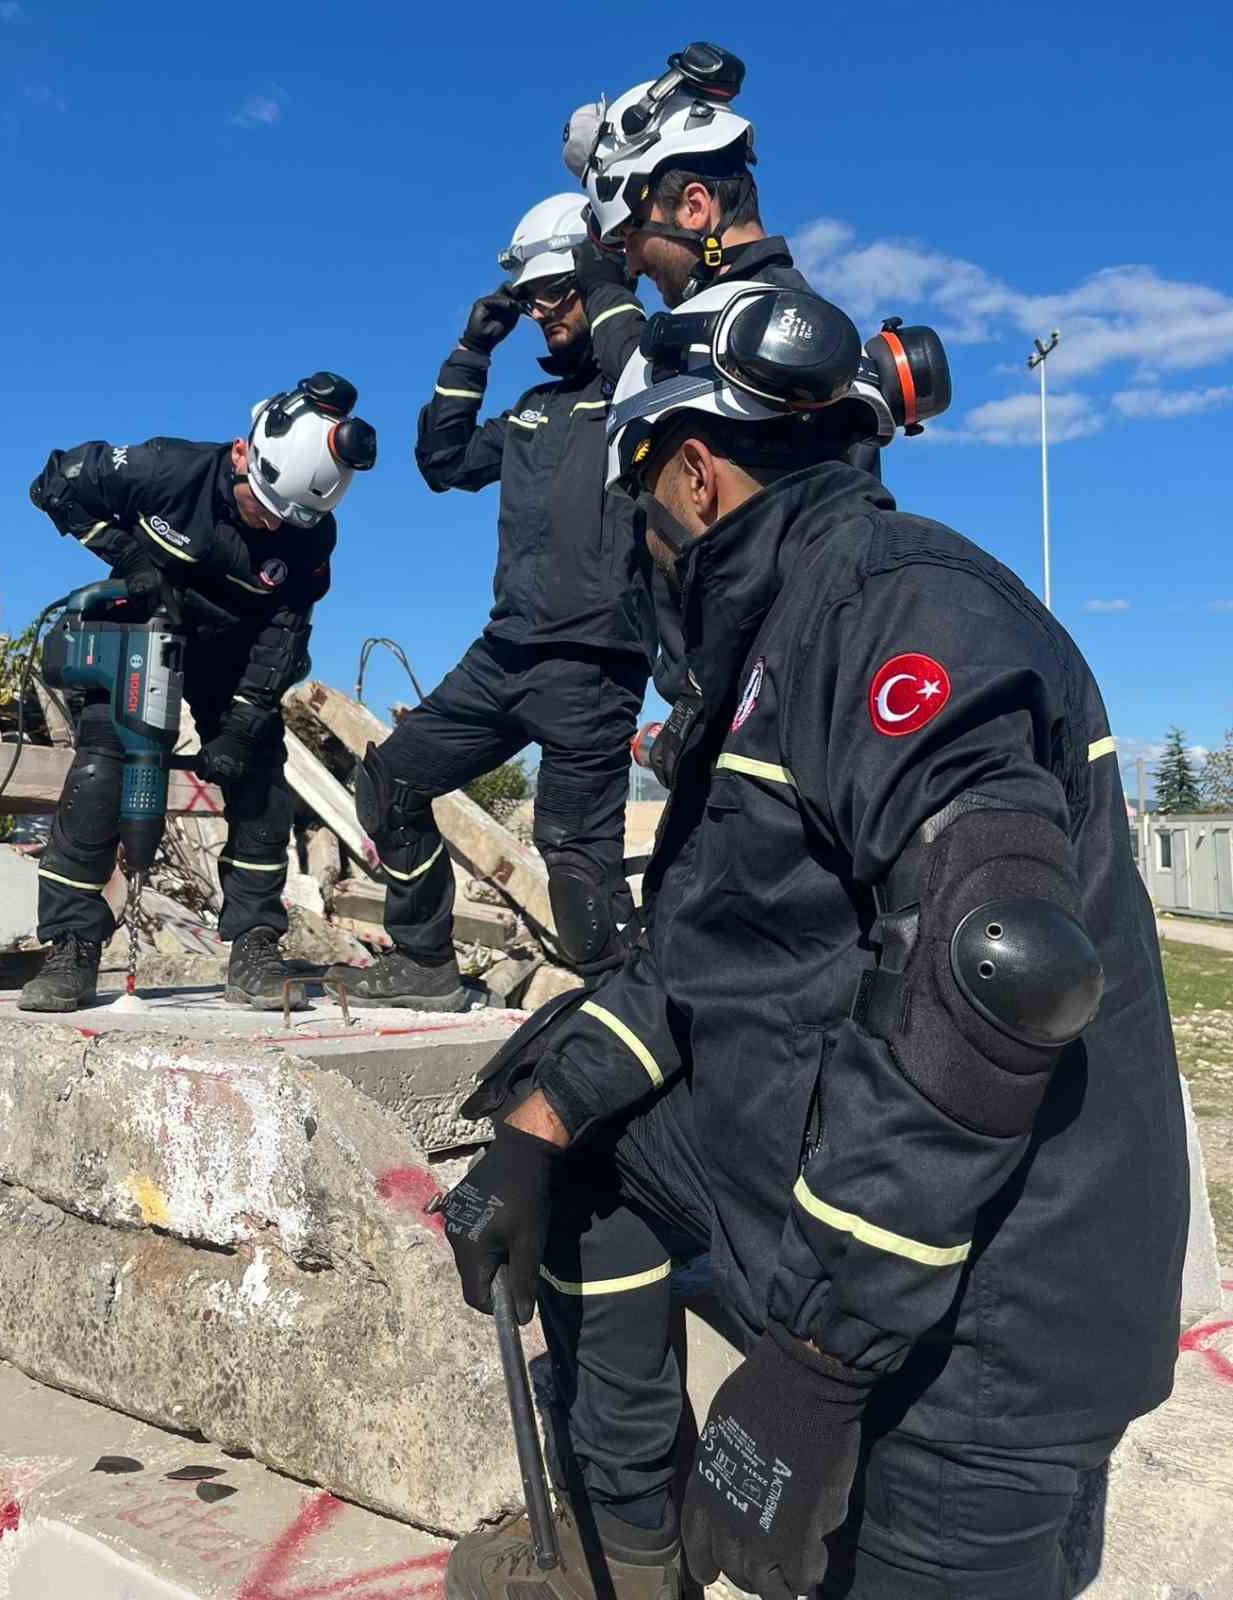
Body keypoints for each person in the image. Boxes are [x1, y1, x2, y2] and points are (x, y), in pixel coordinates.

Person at [437, 278, 1187, 1600]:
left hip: (984, 1338)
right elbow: (692, 963)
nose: (642, 557)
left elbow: (1002, 965)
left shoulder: (895, 608)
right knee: (595, 1157)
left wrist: (812, 1371)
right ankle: (627, 1548)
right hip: (838, 1226)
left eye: (638, 518)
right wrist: (533, 1129)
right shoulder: (770, 657)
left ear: (688, 477)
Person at [331, 196, 653, 1011]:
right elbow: (442, 460)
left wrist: (604, 282)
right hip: (501, 657)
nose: (543, 311)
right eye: (531, 297)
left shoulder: (643, 387)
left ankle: (641, 1031)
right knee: (390, 787)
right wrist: (473, 347)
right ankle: (424, 964)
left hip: (591, 669)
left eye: (558, 292)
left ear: (597, 278)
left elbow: (642, 379)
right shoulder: (532, 411)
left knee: (579, 882)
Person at [20, 376, 376, 1012]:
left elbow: (284, 631)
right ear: (242, 454)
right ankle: (71, 946)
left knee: (263, 778)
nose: (269, 523)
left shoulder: (311, 533)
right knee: (102, 768)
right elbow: (56, 481)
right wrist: (129, 555)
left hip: (231, 649)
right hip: (138, 624)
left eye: (283, 518)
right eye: (261, 506)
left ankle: (255, 944)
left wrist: (242, 721)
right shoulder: (165, 470)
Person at [564, 41, 878, 711]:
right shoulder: (760, 324)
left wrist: (711, 719)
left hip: (759, 714)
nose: (633, 265)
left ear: (695, 208)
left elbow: (764, 582)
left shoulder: (757, 338)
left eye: (629, 240)